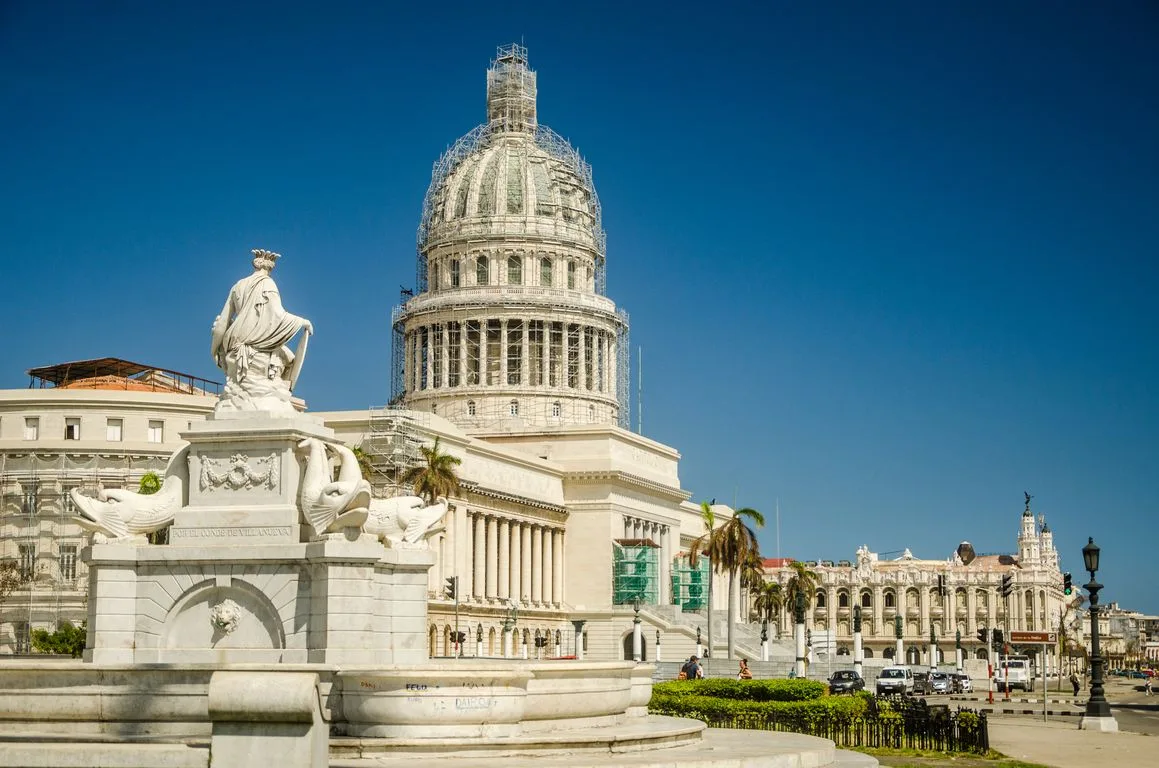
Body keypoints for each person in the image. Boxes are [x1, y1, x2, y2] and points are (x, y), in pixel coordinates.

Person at [211, 248, 313, 414]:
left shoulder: (237, 286)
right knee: (289, 360)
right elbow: (276, 314)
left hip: (234, 345)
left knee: (287, 357)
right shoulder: (268, 284)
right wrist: (301, 322)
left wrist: (215, 349)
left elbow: (222, 322)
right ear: (269, 268)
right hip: (256, 342)